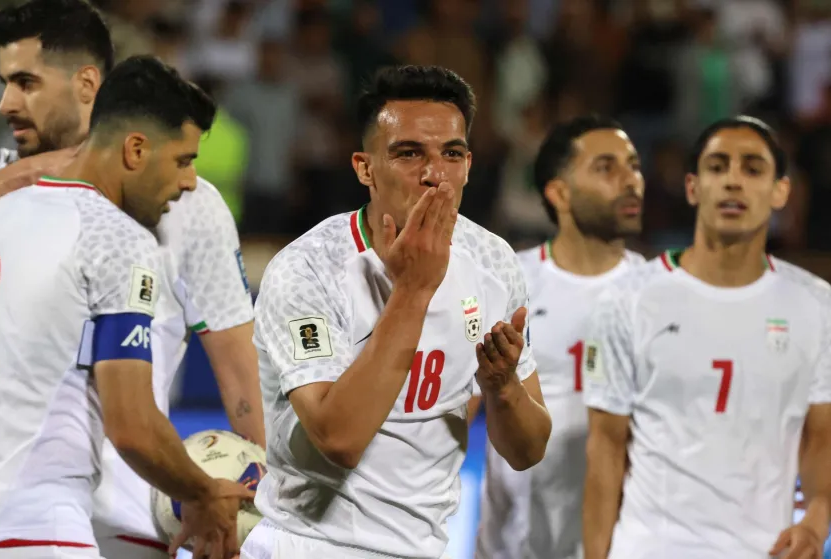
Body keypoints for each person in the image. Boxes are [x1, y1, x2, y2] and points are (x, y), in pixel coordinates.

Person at [0, 1, 264, 557]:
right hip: (44, 519)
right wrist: (25, 175)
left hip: (124, 510)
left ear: (87, 84)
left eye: (26, 82)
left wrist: (240, 496)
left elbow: (236, 366)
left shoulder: (188, 200)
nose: (6, 102)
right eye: (5, 82)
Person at [240, 64, 552, 559]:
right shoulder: (308, 269)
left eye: (451, 154)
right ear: (365, 168)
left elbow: (528, 450)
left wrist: (503, 388)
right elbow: (338, 438)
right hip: (309, 543)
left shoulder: (492, 262)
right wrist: (415, 289)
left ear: (469, 165)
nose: (434, 174)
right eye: (409, 153)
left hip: (423, 548)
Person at [582, 116, 831, 559]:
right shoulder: (627, 299)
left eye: (752, 169)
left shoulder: (816, 305)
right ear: (693, 187)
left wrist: (817, 516)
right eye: (718, 167)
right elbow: (605, 451)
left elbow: (820, 437)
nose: (733, 181)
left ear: (781, 191)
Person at [475, 115, 645, 559]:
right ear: (559, 193)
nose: (631, 181)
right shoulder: (507, 283)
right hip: (515, 545)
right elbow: (455, 411)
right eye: (606, 168)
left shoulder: (661, 296)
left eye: (634, 165)